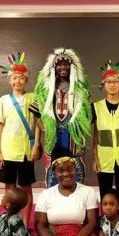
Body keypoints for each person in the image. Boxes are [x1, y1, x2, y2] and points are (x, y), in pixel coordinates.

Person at [30, 48, 92, 187]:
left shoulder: (80, 90)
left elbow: (88, 114)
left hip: (74, 140)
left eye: (66, 64)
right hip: (54, 138)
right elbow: (36, 113)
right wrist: (43, 129)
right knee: (53, 176)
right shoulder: (46, 89)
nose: (63, 67)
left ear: (73, 67)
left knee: (76, 175)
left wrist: (80, 128)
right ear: (54, 67)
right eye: (59, 64)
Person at [0, 52, 41, 226]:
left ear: (26, 80)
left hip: (26, 151)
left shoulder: (33, 98)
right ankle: (9, 222)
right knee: (9, 188)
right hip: (8, 151)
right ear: (9, 80)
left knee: (26, 188)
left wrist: (36, 145)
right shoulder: (3, 100)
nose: (18, 81)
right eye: (14, 78)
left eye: (21, 78)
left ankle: (25, 223)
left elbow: (38, 124)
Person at [92, 60, 119, 215]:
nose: (112, 85)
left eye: (115, 81)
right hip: (104, 157)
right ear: (104, 84)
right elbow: (95, 134)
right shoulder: (96, 107)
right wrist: (95, 158)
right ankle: (106, 221)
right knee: (105, 191)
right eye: (109, 82)